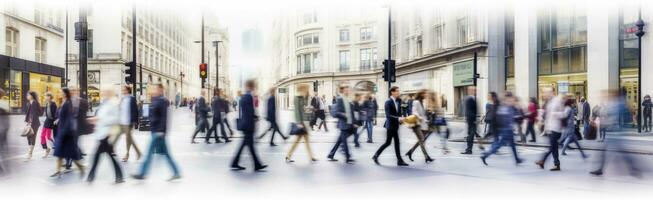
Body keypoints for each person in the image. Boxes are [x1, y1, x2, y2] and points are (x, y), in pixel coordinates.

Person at [132, 84, 181, 181]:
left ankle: (142, 173)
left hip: (158, 132)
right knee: (166, 154)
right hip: (155, 130)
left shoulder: (163, 101)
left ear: (161, 90)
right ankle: (176, 172)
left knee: (149, 153)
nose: (156, 90)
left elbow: (164, 117)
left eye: (158, 89)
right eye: (155, 89)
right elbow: (152, 114)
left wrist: (162, 131)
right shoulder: (155, 99)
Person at [86, 89, 124, 183]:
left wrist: (99, 119)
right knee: (107, 155)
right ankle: (119, 176)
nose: (102, 93)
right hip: (102, 133)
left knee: (97, 155)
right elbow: (101, 116)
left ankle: (91, 176)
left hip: (106, 133)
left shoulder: (113, 103)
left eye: (104, 91)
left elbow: (114, 119)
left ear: (109, 92)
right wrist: (95, 120)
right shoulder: (105, 103)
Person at [231, 80, 267, 171]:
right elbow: (249, 111)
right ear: (250, 87)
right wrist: (256, 117)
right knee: (249, 146)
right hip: (248, 125)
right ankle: (256, 164)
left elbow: (245, 111)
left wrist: (255, 116)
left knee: (247, 146)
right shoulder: (248, 96)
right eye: (253, 86)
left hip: (246, 124)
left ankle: (236, 163)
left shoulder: (244, 96)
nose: (254, 88)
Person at [51, 88, 85, 178]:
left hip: (67, 133)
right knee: (59, 153)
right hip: (62, 131)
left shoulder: (68, 103)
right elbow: (62, 116)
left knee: (70, 154)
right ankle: (58, 172)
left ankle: (81, 167)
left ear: (65, 93)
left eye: (61, 92)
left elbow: (69, 119)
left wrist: (63, 132)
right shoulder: (62, 102)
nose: (59, 93)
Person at [480, 92, 523, 165]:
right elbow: (503, 119)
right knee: (498, 145)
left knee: (512, 145)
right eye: (511, 99)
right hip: (506, 130)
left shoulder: (508, 106)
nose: (512, 100)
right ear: (507, 99)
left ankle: (517, 159)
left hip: (508, 129)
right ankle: (485, 155)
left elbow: (515, 116)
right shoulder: (504, 107)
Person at [373, 86, 409, 166]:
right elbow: (388, 115)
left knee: (395, 142)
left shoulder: (399, 101)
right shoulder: (388, 102)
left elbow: (400, 111)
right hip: (390, 126)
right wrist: (398, 118)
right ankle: (376, 155)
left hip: (396, 125)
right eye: (397, 91)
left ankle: (399, 160)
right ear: (392, 92)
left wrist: (402, 118)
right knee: (388, 142)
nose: (398, 92)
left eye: (398, 91)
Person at [285, 84, 317, 163]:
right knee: (300, 140)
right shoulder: (297, 98)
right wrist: (299, 122)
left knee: (305, 140)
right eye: (307, 88)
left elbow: (304, 108)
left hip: (305, 121)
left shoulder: (303, 97)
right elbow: (297, 111)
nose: (307, 90)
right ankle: (289, 155)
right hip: (301, 123)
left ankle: (310, 157)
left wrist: (308, 97)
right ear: (303, 89)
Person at [535, 88, 564, 171]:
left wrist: (555, 114)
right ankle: (556, 164)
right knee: (554, 147)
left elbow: (563, 113)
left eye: (547, 92)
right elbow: (546, 116)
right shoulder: (548, 102)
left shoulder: (557, 101)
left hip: (556, 128)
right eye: (545, 93)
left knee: (552, 146)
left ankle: (542, 161)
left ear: (552, 92)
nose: (545, 94)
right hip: (550, 128)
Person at [327, 85, 357, 163]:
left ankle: (331, 154)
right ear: (342, 91)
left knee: (339, 141)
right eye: (346, 90)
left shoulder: (348, 99)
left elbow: (351, 112)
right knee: (344, 142)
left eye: (348, 89)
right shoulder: (340, 99)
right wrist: (344, 115)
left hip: (349, 123)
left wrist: (354, 123)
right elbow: (337, 112)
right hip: (343, 124)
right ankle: (347, 157)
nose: (348, 91)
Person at [405, 89, 434, 163]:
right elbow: (414, 111)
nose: (426, 95)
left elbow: (423, 112)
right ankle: (426, 157)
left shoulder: (423, 102)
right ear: (421, 94)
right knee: (422, 140)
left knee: (421, 140)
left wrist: (428, 112)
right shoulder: (416, 102)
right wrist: (419, 117)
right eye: (424, 94)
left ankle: (410, 152)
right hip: (417, 124)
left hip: (424, 124)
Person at [113, 86, 141, 162]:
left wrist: (136, 122)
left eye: (124, 90)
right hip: (121, 122)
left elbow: (135, 110)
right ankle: (111, 149)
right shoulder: (122, 99)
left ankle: (128, 154)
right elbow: (120, 110)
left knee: (128, 139)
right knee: (116, 135)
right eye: (123, 90)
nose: (123, 91)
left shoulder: (132, 99)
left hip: (128, 122)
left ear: (128, 91)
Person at [24, 91, 41, 161]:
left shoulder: (35, 103)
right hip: (30, 122)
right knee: (28, 137)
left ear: (32, 96)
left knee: (32, 137)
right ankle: (30, 151)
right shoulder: (29, 103)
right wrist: (27, 121)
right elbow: (29, 113)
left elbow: (34, 114)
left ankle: (30, 153)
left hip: (34, 123)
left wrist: (31, 122)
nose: (27, 96)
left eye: (28, 95)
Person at [462, 86, 478, 154]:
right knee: (470, 135)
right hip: (471, 120)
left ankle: (469, 149)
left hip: (472, 120)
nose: (469, 91)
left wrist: (475, 119)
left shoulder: (473, 99)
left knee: (470, 135)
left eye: (472, 90)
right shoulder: (470, 99)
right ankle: (469, 149)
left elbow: (473, 111)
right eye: (470, 90)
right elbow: (468, 111)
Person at [40, 92, 57, 158]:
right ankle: (46, 148)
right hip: (46, 121)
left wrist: (55, 121)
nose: (46, 97)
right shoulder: (47, 104)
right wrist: (44, 114)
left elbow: (54, 114)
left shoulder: (53, 104)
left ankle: (55, 146)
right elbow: (45, 112)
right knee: (42, 136)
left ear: (50, 97)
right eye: (45, 96)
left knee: (48, 137)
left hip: (51, 122)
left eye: (47, 96)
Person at [0, 89, 10, 175]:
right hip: (3, 129)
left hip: (1, 129)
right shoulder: (5, 103)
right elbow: (7, 119)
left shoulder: (3, 103)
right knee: (2, 148)